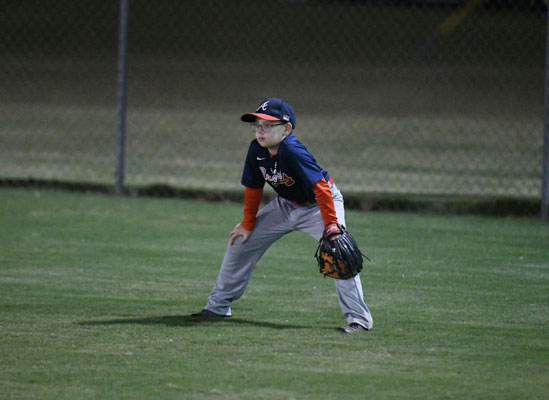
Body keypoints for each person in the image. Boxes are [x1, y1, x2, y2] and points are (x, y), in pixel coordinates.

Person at [192, 98, 373, 333]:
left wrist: (331, 225)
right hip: (285, 205)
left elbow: (321, 188)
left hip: (319, 206)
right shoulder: (256, 150)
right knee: (240, 241)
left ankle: (359, 321)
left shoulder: (293, 150)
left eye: (268, 126)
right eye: (258, 125)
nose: (260, 131)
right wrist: (247, 224)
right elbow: (253, 188)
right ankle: (217, 307)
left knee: (339, 253)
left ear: (286, 129)